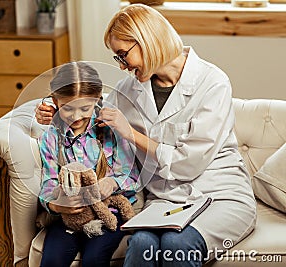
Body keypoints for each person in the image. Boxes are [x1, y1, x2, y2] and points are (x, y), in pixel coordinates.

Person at [36, 4, 257, 267]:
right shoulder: (128, 89)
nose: (122, 66)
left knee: (178, 244)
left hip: (218, 194)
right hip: (164, 199)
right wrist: (50, 109)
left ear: (145, 41)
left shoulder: (212, 83)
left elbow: (187, 164)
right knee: (141, 244)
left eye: (122, 55)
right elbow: (84, 108)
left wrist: (130, 133)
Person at [38, 61, 140, 267]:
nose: (76, 117)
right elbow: (48, 181)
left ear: (97, 100)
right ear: (55, 102)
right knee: (52, 260)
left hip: (109, 213)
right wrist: (54, 205)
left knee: (94, 259)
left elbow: (131, 176)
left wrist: (111, 183)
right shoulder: (51, 137)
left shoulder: (111, 130)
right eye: (67, 109)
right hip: (69, 217)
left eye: (85, 108)